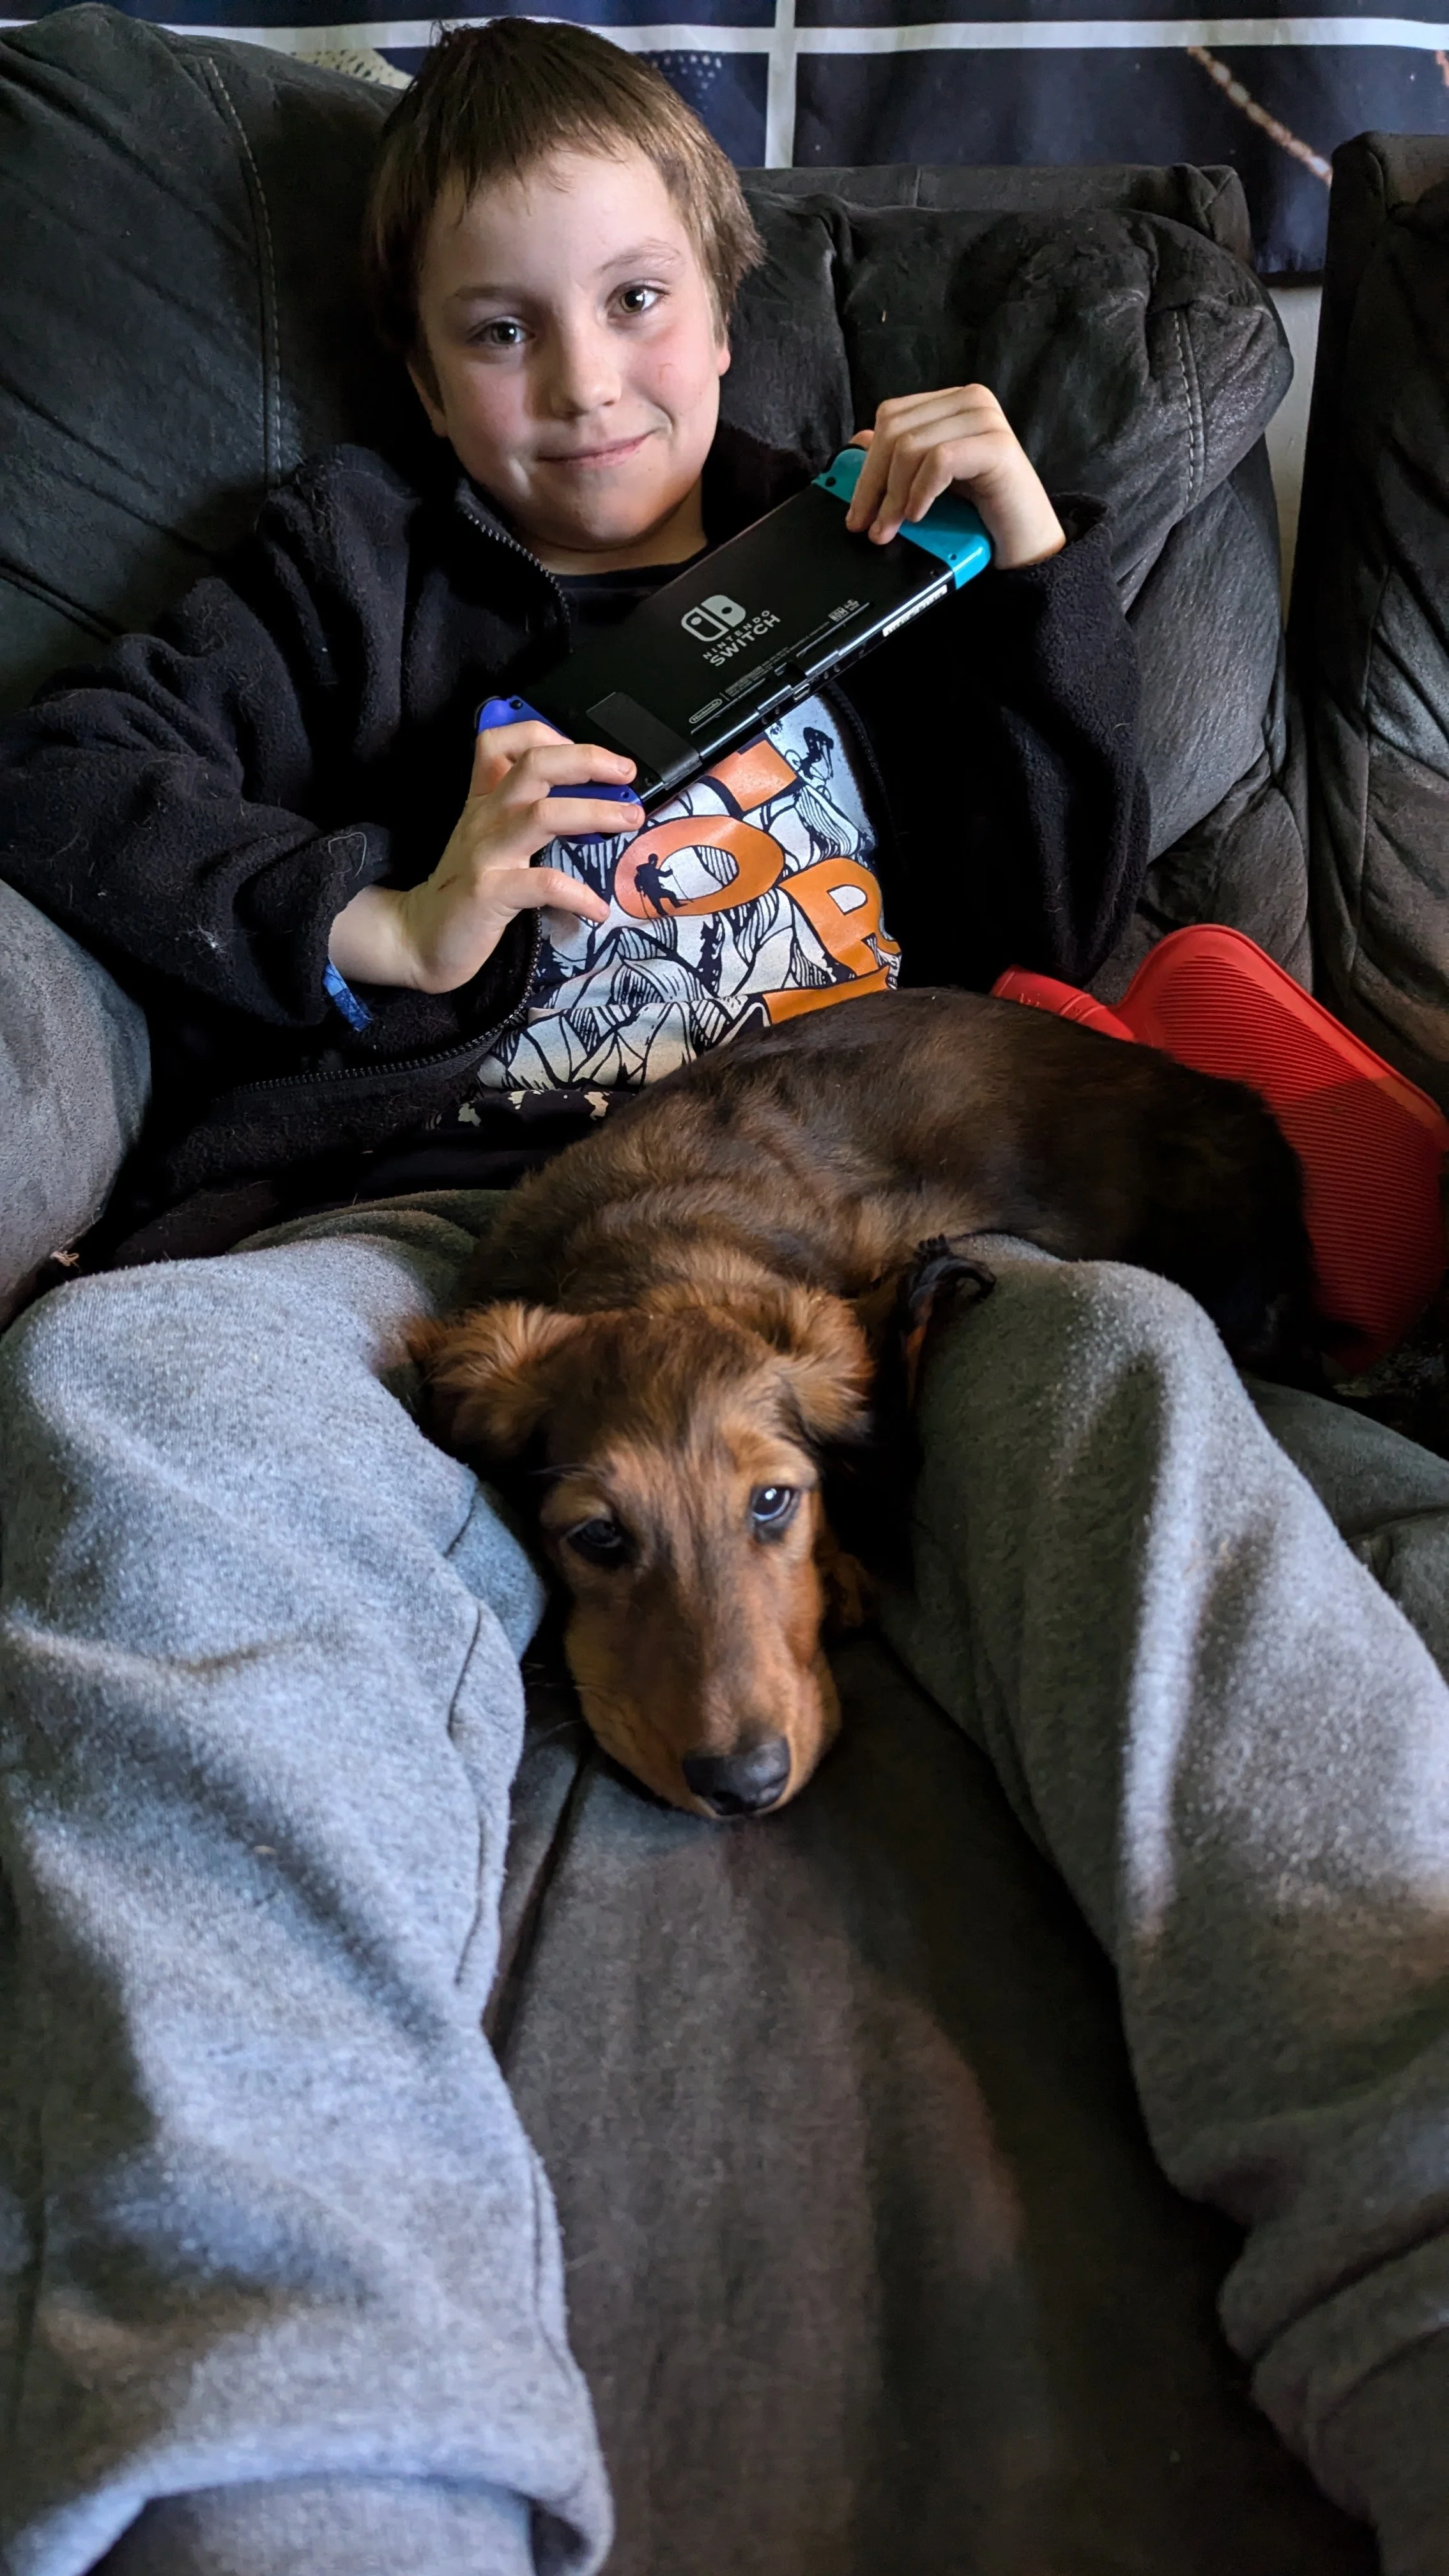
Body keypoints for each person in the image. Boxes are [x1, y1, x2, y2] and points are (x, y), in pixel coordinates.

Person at [0, 24, 1446, 2576]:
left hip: (855, 1204)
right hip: (431, 1217)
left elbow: (1055, 927)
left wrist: (1027, 590)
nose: (586, 384)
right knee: (131, 1392)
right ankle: (292, 2420)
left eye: (639, 301)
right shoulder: (349, 570)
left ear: (727, 290)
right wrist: (387, 913)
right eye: (499, 329)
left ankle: (1422, 2243)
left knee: (1129, 1377)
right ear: (417, 358)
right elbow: (71, 770)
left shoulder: (844, 551)